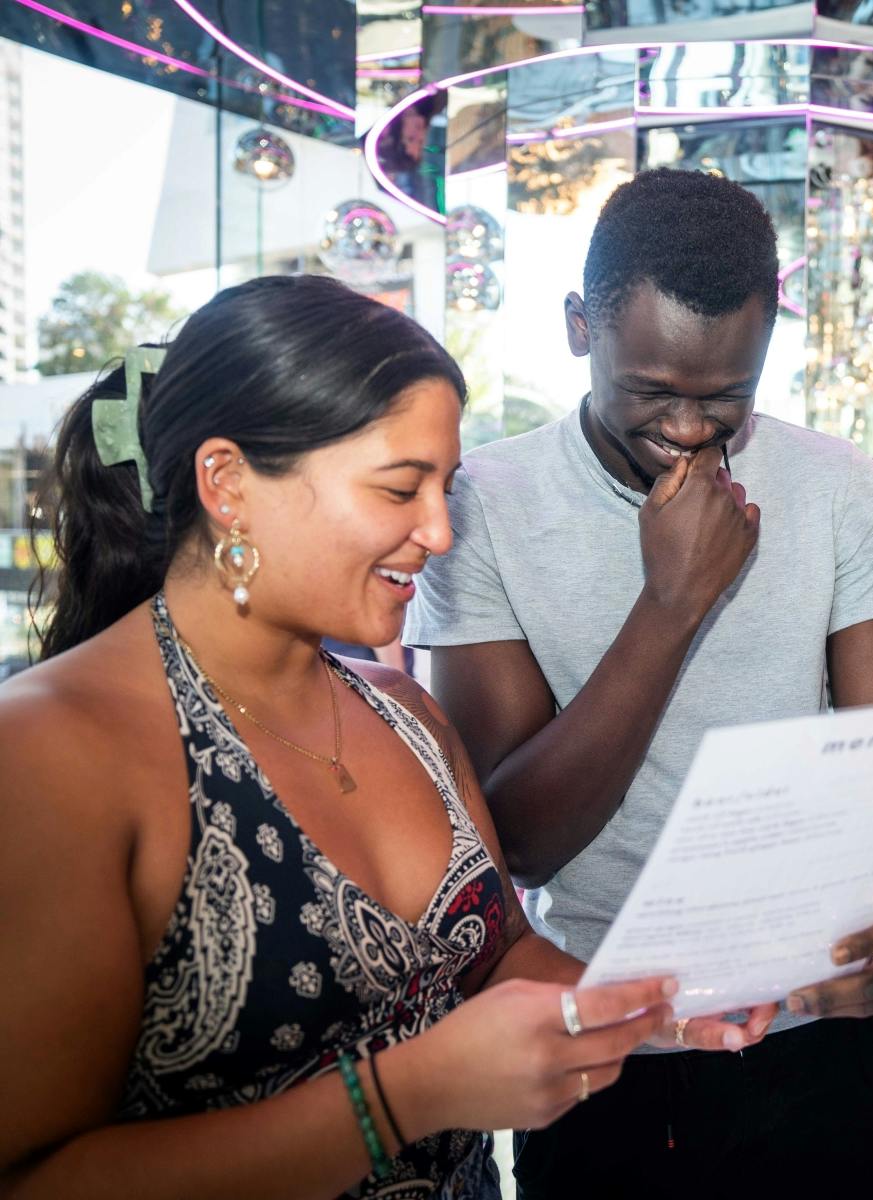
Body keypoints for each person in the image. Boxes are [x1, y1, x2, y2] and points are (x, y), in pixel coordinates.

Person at [0, 275, 730, 1199]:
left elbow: (494, 953)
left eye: (447, 488)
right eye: (400, 489)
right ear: (227, 483)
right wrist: (399, 1098)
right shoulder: (54, 753)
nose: (438, 532)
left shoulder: (406, 713)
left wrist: (650, 1005)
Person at [405, 169, 873, 1199]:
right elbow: (517, 837)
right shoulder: (484, 506)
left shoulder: (835, 487)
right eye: (654, 393)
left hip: (813, 1031)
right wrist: (672, 603)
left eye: (726, 399)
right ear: (579, 329)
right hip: (600, 1035)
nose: (692, 430)